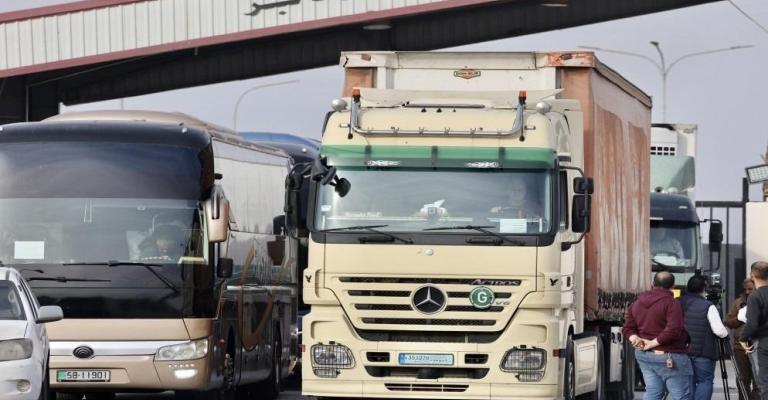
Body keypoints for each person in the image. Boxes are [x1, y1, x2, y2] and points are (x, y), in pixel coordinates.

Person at [623, 271, 692, 400]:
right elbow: (674, 330)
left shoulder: (637, 303)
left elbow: (627, 328)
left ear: (652, 284)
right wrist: (653, 343)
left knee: (653, 392)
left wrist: (636, 339)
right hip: (669, 356)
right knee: (681, 396)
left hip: (644, 355)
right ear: (673, 286)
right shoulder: (672, 303)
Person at [678, 275, 729, 400]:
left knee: (688, 381)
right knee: (705, 381)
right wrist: (726, 334)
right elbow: (719, 331)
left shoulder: (677, 302)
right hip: (703, 352)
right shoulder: (708, 305)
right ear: (704, 288)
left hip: (681, 350)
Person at [726, 278, 759, 400]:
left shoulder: (763, 301)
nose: (747, 292)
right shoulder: (738, 302)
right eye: (745, 289)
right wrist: (739, 319)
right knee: (742, 379)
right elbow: (728, 322)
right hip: (740, 347)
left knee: (758, 381)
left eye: (750, 289)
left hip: (758, 346)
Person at [740, 261, 768, 400]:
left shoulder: (755, 296)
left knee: (763, 382)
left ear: (752, 275)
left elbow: (752, 324)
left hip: (761, 343)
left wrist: (743, 339)